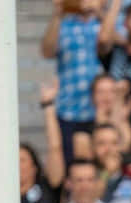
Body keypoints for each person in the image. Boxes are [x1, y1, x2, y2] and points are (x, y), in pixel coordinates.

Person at [42, 0, 103, 165]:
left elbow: (114, 43)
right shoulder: (64, 24)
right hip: (68, 107)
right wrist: (57, 15)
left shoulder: (102, 23)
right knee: (69, 166)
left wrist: (100, 14)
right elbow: (47, 51)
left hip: (99, 108)